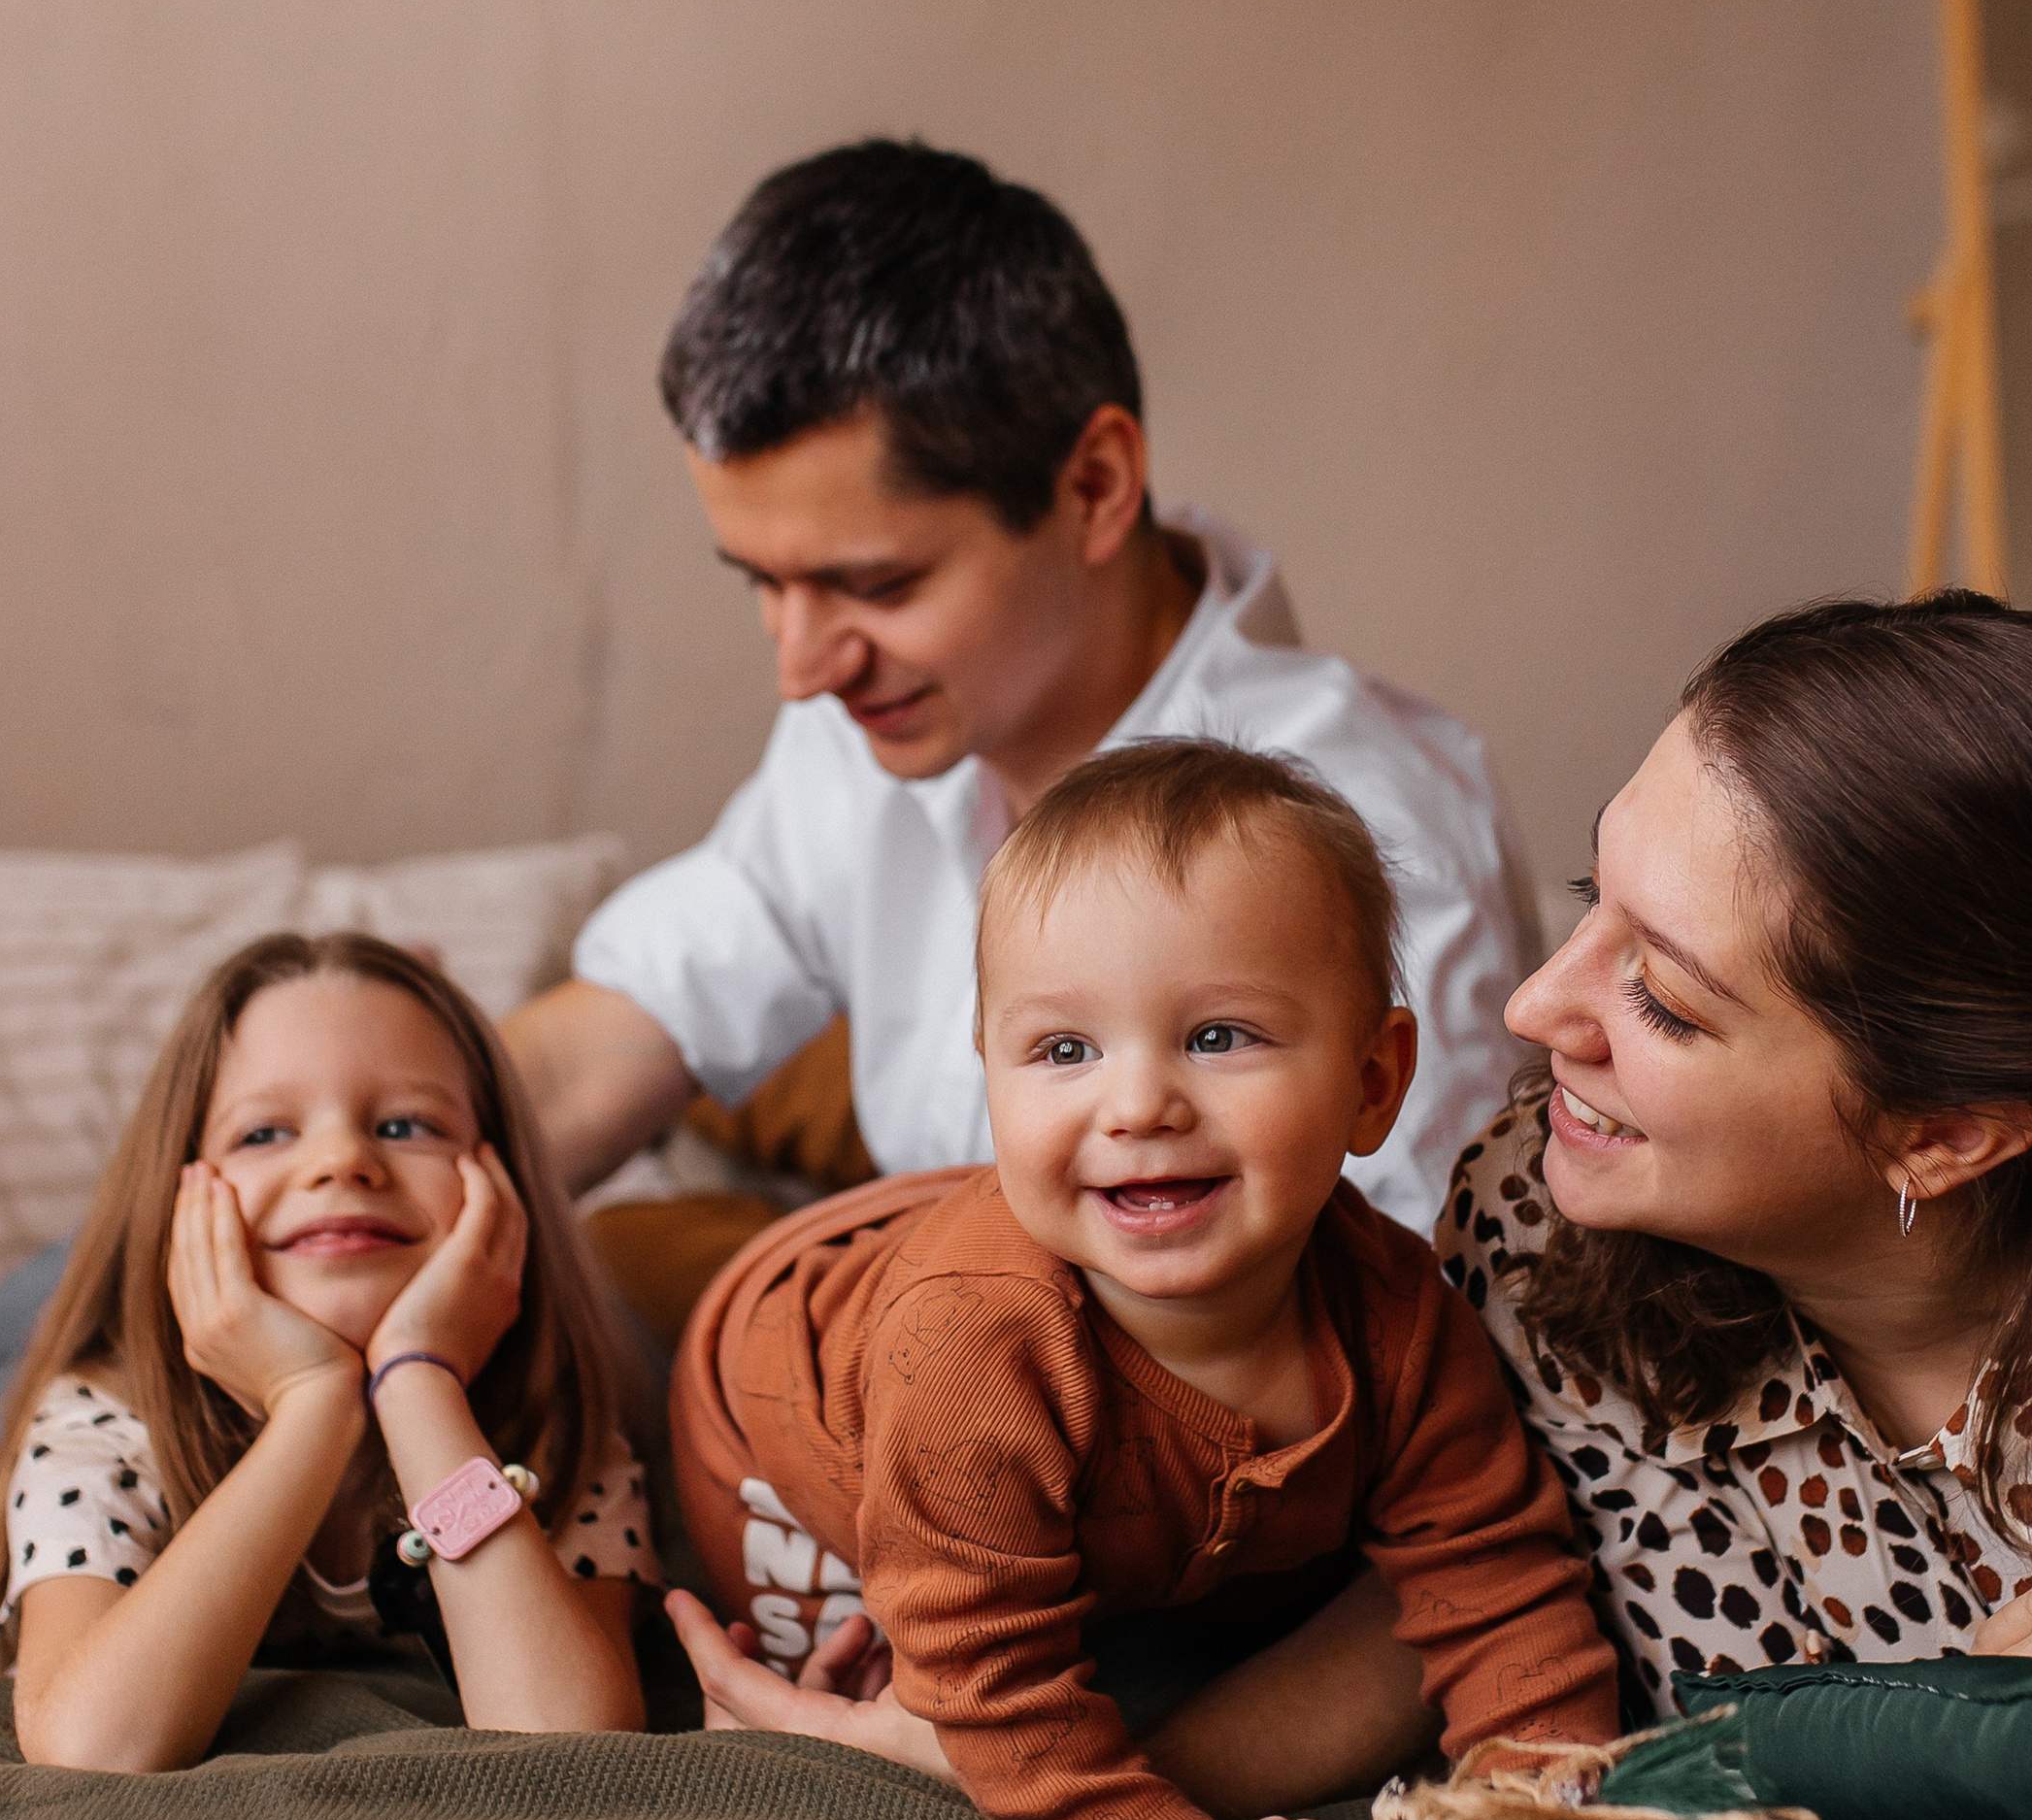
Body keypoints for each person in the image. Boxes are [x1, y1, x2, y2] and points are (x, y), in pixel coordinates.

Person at [506, 140, 1538, 1247]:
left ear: (1092, 487)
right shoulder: (875, 727)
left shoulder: (1374, 833)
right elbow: (596, 1054)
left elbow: (1421, 1331)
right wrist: (354, 1147)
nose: (801, 669)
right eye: (765, 583)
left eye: (876, 585)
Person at [1444, 592, 2032, 1732]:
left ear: (1941, 1135)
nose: (1532, 1005)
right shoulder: (1533, 1222)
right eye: (1596, 897)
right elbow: (1454, 1586)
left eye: (1663, 998)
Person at [663, 744, 1616, 1820]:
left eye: (1217, 1037)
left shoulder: (1398, 1318)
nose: (1137, 1106)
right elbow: (995, 1692)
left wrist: (1553, 1801)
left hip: (1068, 1422)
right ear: (988, 1075)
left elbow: (1494, 1575)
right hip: (786, 1417)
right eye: (1064, 1049)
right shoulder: (978, 1354)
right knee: (885, 1731)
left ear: (1371, 1084)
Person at [0, 933, 650, 1770]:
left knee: (637, 1327)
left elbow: (570, 1742)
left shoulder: (548, 1428)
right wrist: (313, 1399)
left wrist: (420, 1382)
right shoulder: (104, 1423)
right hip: (56, 1337)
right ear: (184, 1185)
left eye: (404, 1124)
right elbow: (96, 1744)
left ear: (500, 1183)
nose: (342, 1159)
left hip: (413, 1301)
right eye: (265, 1132)